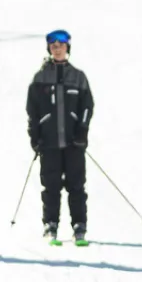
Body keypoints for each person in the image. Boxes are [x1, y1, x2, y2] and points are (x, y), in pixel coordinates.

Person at [25, 29, 94, 246]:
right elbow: (32, 111)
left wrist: (82, 131)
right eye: (53, 45)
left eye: (61, 45)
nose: (57, 48)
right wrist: (35, 136)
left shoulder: (78, 77)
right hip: (49, 143)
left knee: (76, 185)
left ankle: (79, 226)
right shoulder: (40, 79)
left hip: (74, 142)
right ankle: (51, 225)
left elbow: (87, 106)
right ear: (49, 49)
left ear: (67, 48)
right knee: (51, 186)